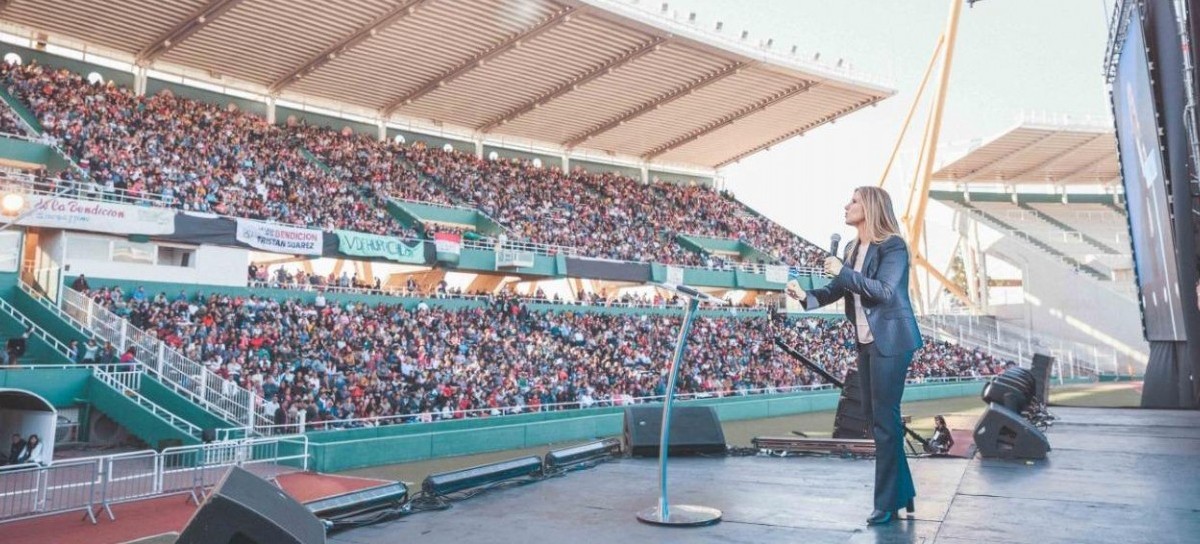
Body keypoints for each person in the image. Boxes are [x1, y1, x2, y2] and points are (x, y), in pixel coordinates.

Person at [785, 186, 922, 526]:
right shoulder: (851, 248)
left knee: (884, 421)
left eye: (854, 201)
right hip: (866, 342)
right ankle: (903, 493)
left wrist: (843, 272)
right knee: (879, 419)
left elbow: (885, 291)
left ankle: (886, 503)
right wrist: (805, 295)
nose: (846, 206)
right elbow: (836, 290)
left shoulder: (893, 246)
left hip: (892, 340)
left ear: (870, 207)